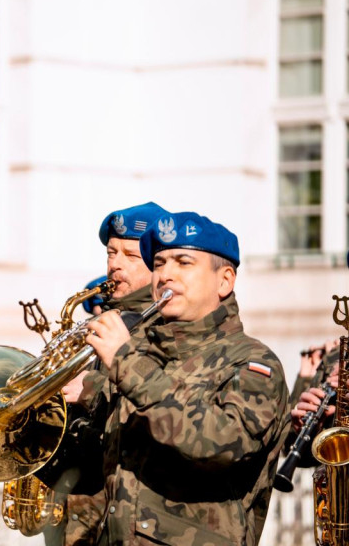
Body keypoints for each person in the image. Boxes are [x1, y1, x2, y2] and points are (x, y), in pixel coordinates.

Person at [81, 211, 288, 545]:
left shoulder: (253, 363)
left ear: (224, 281)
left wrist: (127, 365)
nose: (165, 275)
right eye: (159, 263)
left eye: (183, 262)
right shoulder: (145, 356)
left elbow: (223, 443)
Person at [49, 202, 168, 546]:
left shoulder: (165, 325)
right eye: (111, 253)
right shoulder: (105, 320)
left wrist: (90, 387)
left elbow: (165, 397)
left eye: (130, 255)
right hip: (82, 508)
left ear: (157, 263)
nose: (115, 264)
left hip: (130, 516)